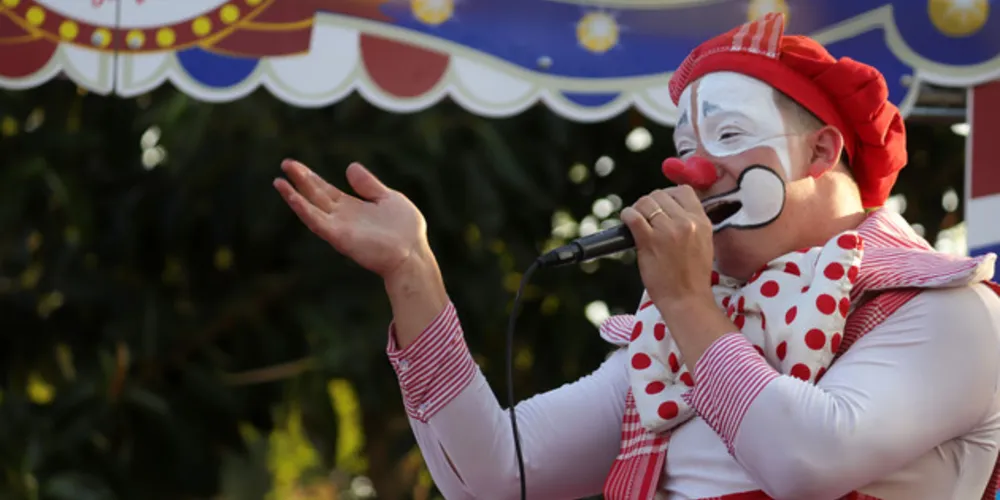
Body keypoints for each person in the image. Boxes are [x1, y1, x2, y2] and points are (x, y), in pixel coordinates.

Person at [274, 13, 1000, 500]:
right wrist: (413, 273)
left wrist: (687, 304)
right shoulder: (682, 332)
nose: (691, 170)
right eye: (684, 148)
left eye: (726, 136)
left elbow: (809, 463)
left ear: (820, 151)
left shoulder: (946, 310)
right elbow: (495, 475)